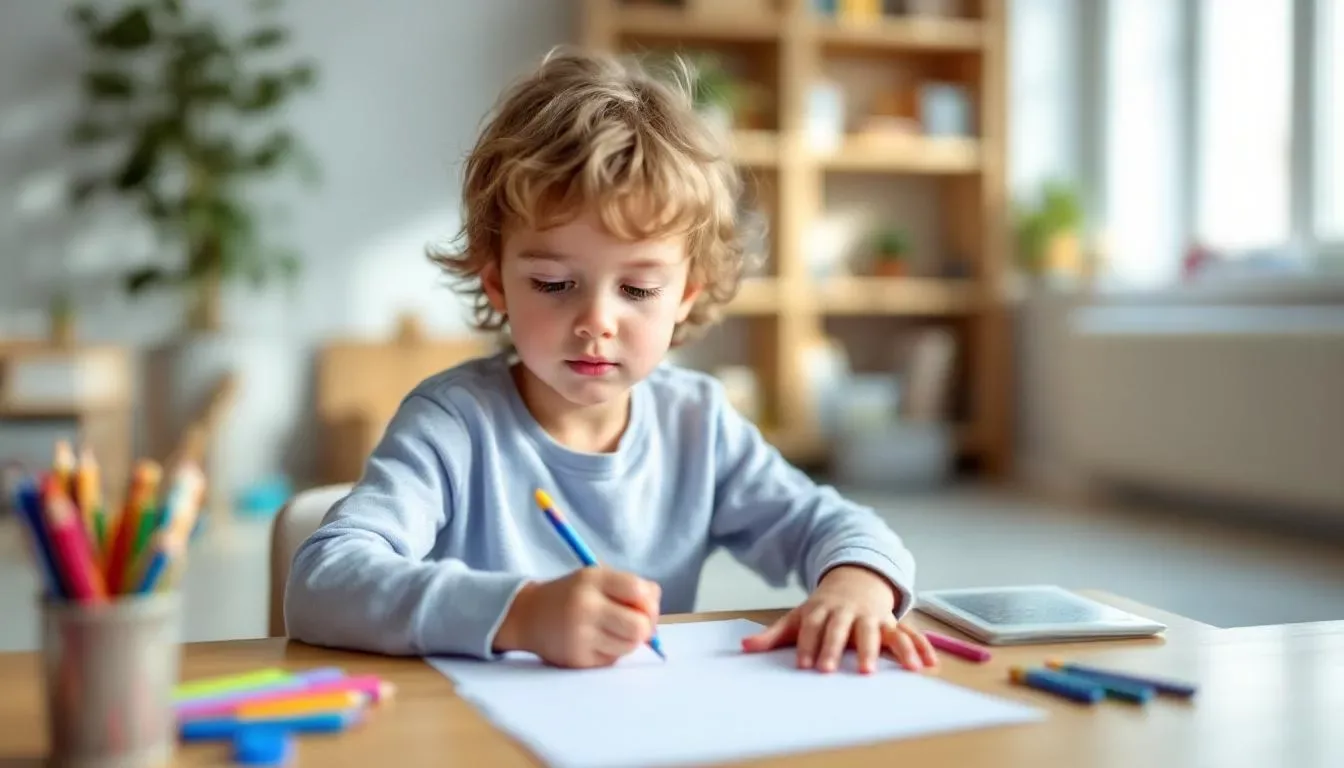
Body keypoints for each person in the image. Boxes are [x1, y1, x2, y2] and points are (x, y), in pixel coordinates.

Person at [284, 47, 937, 676]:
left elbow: (833, 524)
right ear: (496, 283)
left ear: (685, 296)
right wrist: (519, 614)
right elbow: (321, 582)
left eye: (637, 290)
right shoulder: (452, 425)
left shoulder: (697, 425)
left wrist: (859, 586)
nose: (597, 320)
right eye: (553, 283)